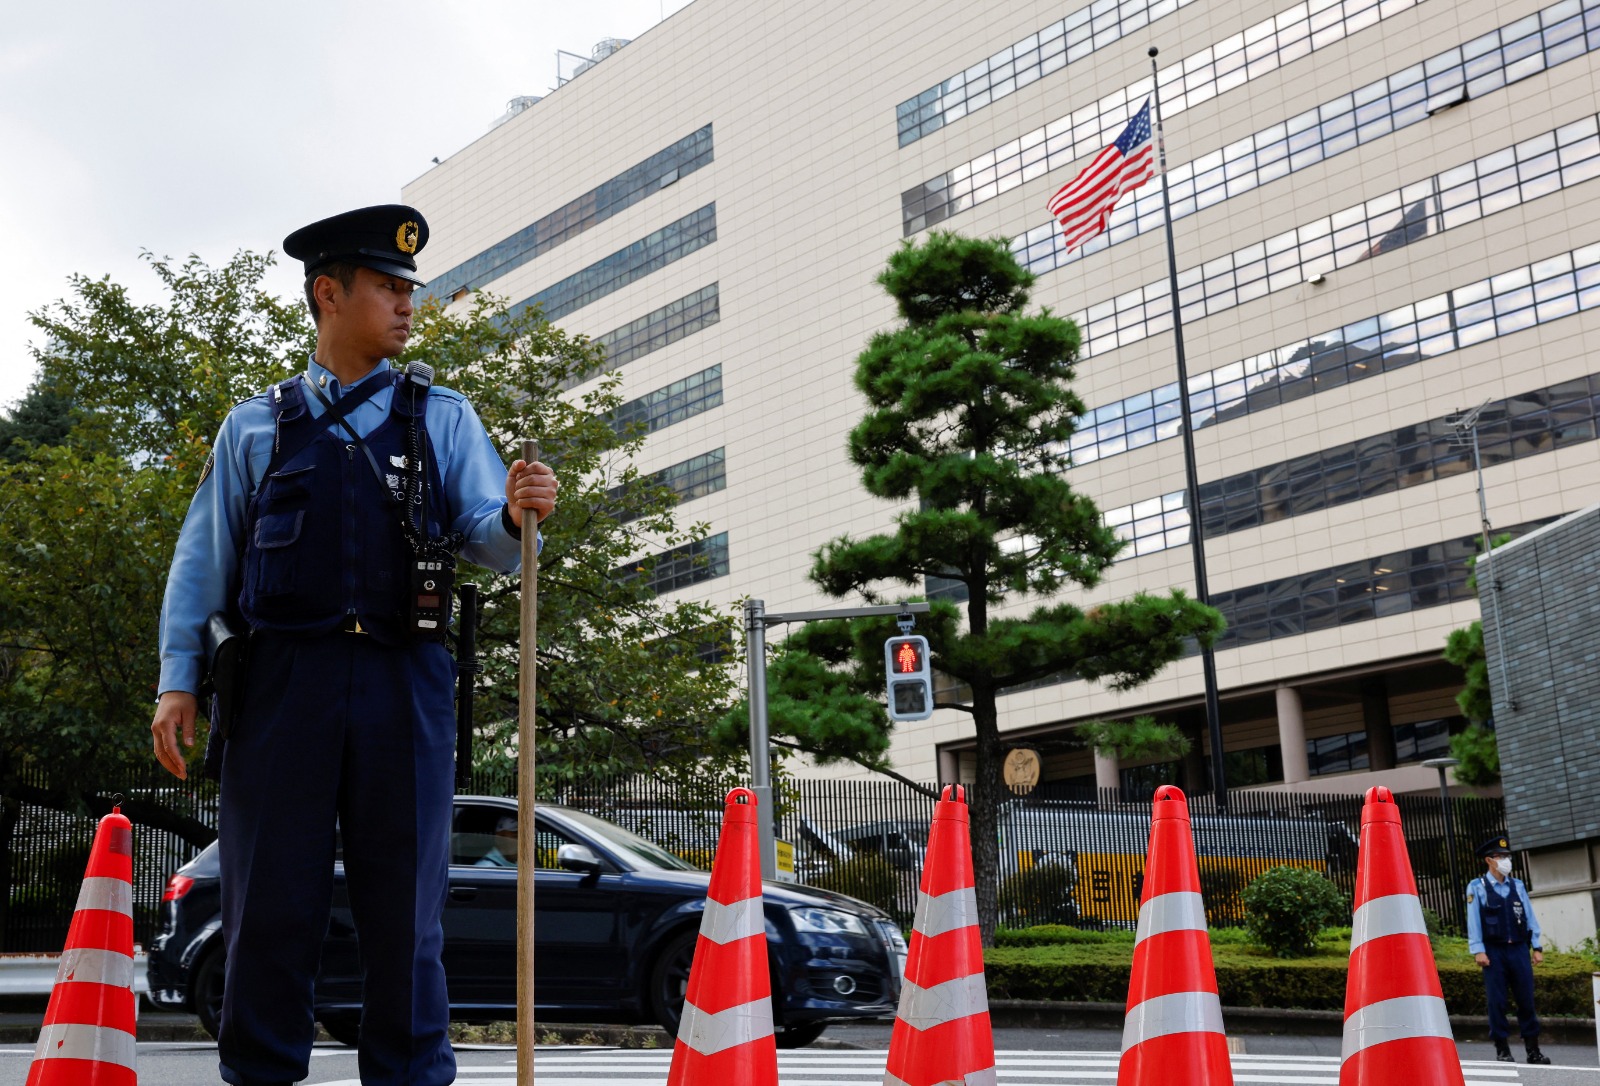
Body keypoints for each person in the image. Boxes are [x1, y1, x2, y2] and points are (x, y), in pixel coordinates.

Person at [149, 204, 557, 1086]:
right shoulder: (256, 426)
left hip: (405, 682)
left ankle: (410, 1075)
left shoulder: (442, 416)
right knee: (268, 906)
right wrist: (177, 682)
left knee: (404, 911)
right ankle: (260, 1072)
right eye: (386, 286)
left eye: (409, 288)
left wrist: (522, 512)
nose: (407, 304)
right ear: (328, 294)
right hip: (278, 687)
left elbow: (490, 537)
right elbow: (203, 561)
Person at [1466, 835, 1550, 1065]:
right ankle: (1502, 1049)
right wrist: (1478, 950)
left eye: (1506, 856)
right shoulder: (1476, 887)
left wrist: (1537, 946)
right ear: (1488, 861)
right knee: (1497, 1002)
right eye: (1499, 857)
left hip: (1519, 951)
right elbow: (1473, 922)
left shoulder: (1518, 886)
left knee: (1526, 1001)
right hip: (1493, 953)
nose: (1505, 860)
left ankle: (1533, 1050)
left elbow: (1530, 917)